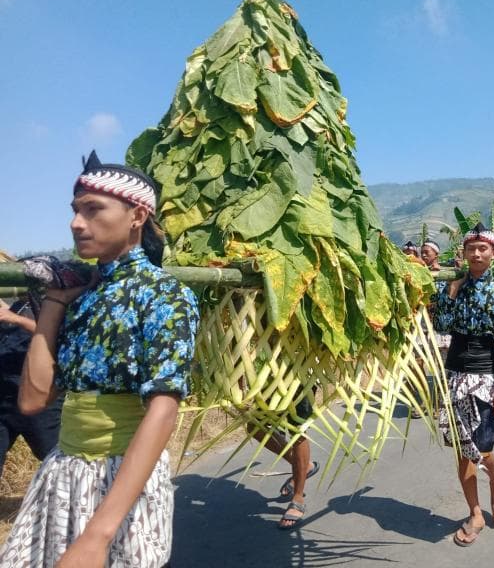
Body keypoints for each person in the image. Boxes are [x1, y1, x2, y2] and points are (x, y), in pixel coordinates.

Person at [0, 151, 199, 567]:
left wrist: (98, 534)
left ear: (137, 216)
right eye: (75, 210)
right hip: (61, 475)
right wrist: (54, 301)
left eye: (93, 210)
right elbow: (34, 401)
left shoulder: (166, 296)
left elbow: (162, 413)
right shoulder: (82, 295)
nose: (76, 222)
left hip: (122, 481)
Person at [430, 223, 494, 547]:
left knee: (482, 447)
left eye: (483, 248)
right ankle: (475, 512)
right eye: (472, 249)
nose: (477, 253)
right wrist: (450, 293)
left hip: (484, 374)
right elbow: (440, 325)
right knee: (461, 449)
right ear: (465, 254)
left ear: (493, 253)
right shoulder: (452, 286)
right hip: (454, 370)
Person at [0, 293, 62, 478]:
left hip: (39, 400)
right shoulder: (17, 305)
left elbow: (58, 336)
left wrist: (15, 319)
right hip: (4, 396)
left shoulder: (54, 305)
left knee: (56, 460)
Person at [246, 400, 319, 528]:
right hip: (267, 382)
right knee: (254, 427)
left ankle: (298, 498)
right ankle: (303, 467)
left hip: (298, 383)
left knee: (297, 430)